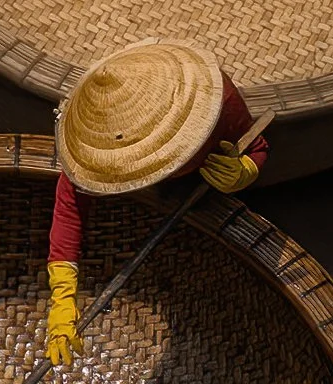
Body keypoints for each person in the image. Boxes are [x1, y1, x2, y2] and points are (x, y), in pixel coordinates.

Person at [44, 39, 270, 366]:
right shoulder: (95, 136)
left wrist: (246, 170)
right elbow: (70, 205)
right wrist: (62, 297)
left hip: (201, 188)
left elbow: (257, 144)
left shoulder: (217, 101)